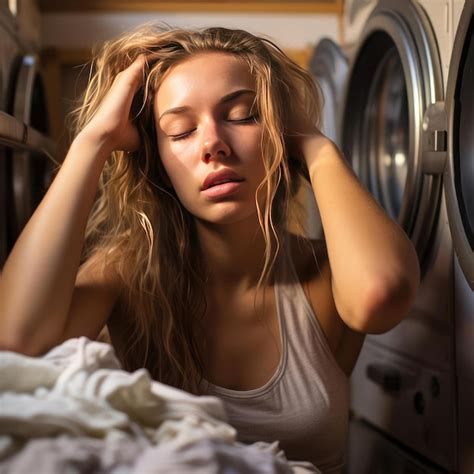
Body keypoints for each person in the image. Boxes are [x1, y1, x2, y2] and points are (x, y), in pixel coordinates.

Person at [0, 24, 420, 472]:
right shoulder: (126, 275)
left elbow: (383, 294)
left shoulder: (321, 272)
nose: (212, 145)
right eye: (180, 131)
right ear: (156, 159)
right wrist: (94, 141)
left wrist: (316, 146)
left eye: (242, 115)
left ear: (281, 134)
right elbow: (15, 345)